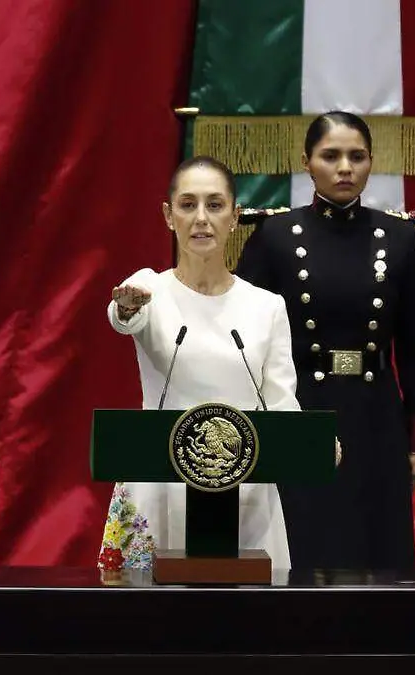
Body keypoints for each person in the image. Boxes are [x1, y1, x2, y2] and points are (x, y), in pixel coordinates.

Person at [235, 111, 415, 571]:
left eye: (357, 156)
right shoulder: (275, 237)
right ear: (307, 162)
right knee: (306, 546)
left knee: (378, 554)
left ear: (371, 162)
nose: (345, 167)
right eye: (331, 156)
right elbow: (246, 341)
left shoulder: (400, 238)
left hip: (375, 412)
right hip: (300, 409)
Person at [97, 156, 300, 574]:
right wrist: (126, 306)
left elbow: (281, 403)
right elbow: (123, 315)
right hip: (157, 486)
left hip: (244, 492)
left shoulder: (267, 307)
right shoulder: (149, 288)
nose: (201, 218)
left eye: (215, 205)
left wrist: (311, 442)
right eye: (188, 205)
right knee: (146, 613)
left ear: (235, 217)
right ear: (168, 216)